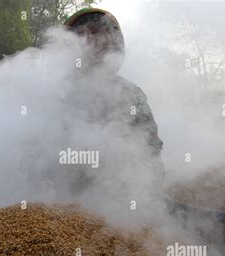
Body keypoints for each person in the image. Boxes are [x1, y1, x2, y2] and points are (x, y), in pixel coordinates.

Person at [63, 8, 165, 195]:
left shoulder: (131, 94)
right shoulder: (52, 92)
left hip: (120, 205)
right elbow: (33, 157)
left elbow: (151, 151)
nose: (96, 42)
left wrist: (150, 197)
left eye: (104, 36)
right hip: (59, 207)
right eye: (85, 36)